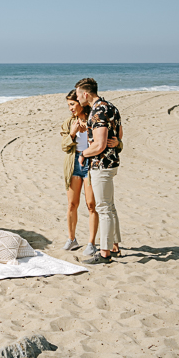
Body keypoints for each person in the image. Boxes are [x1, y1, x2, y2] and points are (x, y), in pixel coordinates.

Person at [60, 90, 121, 257]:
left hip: (91, 163)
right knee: (72, 204)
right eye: (69, 105)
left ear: (81, 102)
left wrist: (118, 143)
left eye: (73, 104)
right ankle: (72, 239)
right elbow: (64, 147)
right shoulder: (68, 122)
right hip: (74, 164)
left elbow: (109, 142)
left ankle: (91, 242)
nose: (71, 108)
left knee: (91, 205)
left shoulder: (94, 119)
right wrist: (72, 133)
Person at [75, 78, 122, 264]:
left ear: (86, 94)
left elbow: (100, 145)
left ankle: (104, 253)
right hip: (111, 162)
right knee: (109, 206)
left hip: (102, 164)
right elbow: (118, 135)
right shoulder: (111, 107)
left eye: (78, 95)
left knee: (104, 208)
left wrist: (83, 154)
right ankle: (114, 246)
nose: (78, 99)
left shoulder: (98, 111)